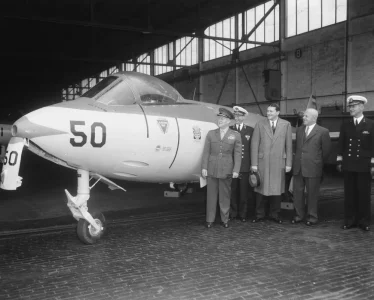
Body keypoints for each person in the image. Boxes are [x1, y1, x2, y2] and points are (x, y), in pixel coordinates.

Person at [337, 95, 374, 231]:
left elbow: (373, 146)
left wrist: (373, 164)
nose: (351, 109)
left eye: (353, 106)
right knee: (350, 194)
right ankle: (350, 220)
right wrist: (339, 160)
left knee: (364, 194)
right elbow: (341, 143)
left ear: (362, 107)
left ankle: (364, 221)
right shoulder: (346, 124)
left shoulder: (370, 124)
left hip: (363, 165)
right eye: (350, 106)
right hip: (349, 164)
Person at [250, 103, 292, 224]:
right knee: (260, 189)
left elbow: (288, 146)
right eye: (267, 111)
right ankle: (259, 214)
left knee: (277, 190)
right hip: (262, 162)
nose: (268, 113)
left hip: (278, 162)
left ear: (278, 112)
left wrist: (288, 163)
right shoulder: (260, 124)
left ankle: (275, 214)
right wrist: (254, 163)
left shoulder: (286, 125)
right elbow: (254, 145)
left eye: (271, 111)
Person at [201, 107, 242, 228]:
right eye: (219, 118)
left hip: (226, 169)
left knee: (225, 196)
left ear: (229, 121)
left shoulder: (235, 135)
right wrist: (204, 167)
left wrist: (236, 170)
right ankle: (210, 219)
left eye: (223, 118)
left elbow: (238, 154)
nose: (220, 120)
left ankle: (225, 219)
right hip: (212, 168)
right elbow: (206, 152)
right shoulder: (211, 133)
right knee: (211, 196)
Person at [292, 108, 331, 226]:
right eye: (304, 116)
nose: (303, 118)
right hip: (298, 167)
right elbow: (297, 148)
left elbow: (326, 151)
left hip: (313, 167)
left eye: (306, 116)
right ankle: (299, 216)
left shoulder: (323, 131)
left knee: (312, 194)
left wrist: (317, 162)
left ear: (314, 118)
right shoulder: (299, 130)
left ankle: (312, 217)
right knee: (297, 193)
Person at [229, 106, 254, 222]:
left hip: (244, 166)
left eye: (240, 115)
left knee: (244, 192)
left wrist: (252, 165)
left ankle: (243, 214)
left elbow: (252, 149)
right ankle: (233, 213)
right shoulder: (229, 129)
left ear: (244, 117)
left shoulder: (250, 130)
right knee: (232, 191)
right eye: (236, 115)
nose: (237, 118)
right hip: (232, 166)